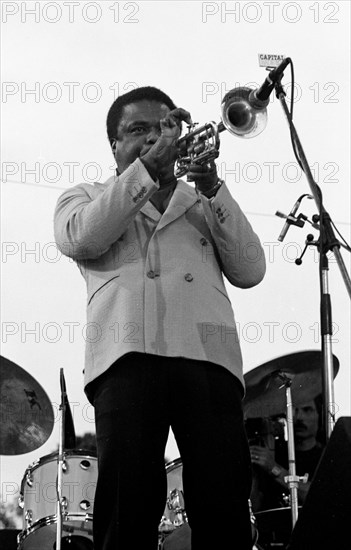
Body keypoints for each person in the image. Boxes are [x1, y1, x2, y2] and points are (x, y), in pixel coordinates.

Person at [54, 86, 266, 550]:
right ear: (114, 145)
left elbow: (251, 269)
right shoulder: (88, 195)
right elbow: (81, 239)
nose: (153, 138)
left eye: (162, 127)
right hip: (128, 359)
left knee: (223, 507)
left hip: (207, 359)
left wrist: (213, 187)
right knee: (127, 508)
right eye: (138, 130)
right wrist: (147, 170)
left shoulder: (202, 199)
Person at [249, 396, 324, 512]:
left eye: (307, 410)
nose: (299, 417)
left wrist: (274, 469)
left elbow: (320, 497)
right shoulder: (272, 452)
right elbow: (254, 506)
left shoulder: (325, 456)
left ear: (320, 415)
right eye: (294, 410)